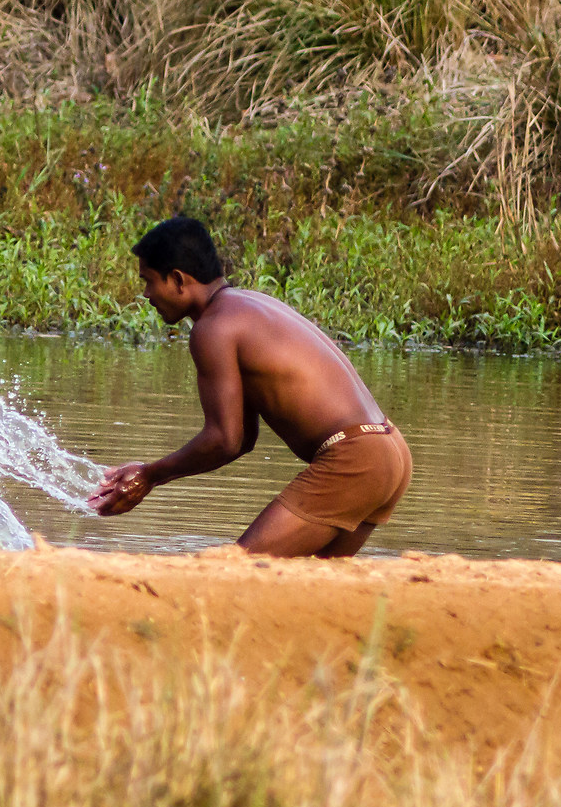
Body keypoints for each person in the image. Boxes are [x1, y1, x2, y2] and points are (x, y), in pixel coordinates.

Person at [85, 217, 409, 557]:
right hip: (389, 449)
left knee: (236, 568)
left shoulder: (213, 328)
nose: (147, 295)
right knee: (310, 578)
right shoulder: (247, 306)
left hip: (356, 459)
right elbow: (241, 439)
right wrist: (153, 475)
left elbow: (223, 440)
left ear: (178, 280)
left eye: (149, 282)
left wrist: (149, 475)